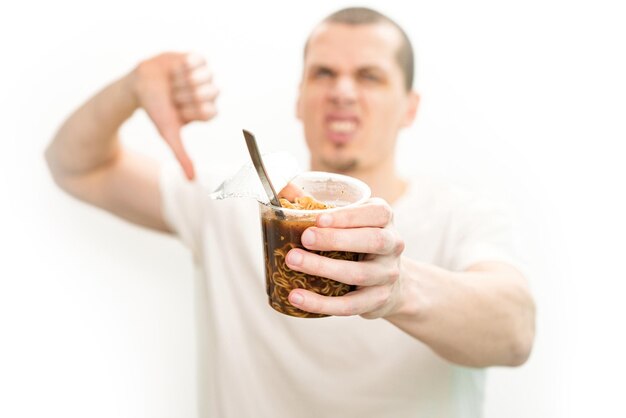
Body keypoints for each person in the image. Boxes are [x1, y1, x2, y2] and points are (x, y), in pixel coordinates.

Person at [45, 6, 535, 418]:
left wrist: (396, 290)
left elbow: (516, 332)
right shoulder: (234, 204)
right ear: (299, 99)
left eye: (369, 76)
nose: (343, 91)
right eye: (324, 73)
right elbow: (75, 167)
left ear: (409, 107)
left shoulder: (460, 216)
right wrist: (129, 90)